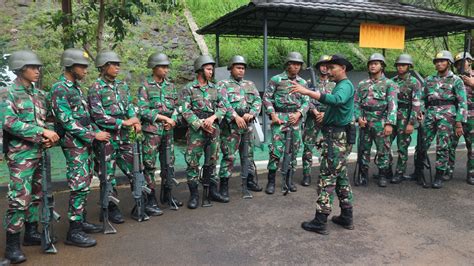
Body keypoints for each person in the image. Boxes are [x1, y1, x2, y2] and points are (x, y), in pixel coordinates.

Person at [49, 48, 111, 247]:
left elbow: (84, 118)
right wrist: (94, 135)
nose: (85, 70)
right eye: (81, 66)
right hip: (74, 145)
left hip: (84, 144)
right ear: (70, 66)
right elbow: (67, 121)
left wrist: (97, 132)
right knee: (78, 186)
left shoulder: (75, 88)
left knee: (84, 185)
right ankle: (73, 232)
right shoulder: (60, 89)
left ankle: (81, 221)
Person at [3, 50, 60, 263]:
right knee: (19, 199)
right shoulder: (10, 94)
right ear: (20, 69)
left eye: (38, 67)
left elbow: (48, 120)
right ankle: (12, 246)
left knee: (37, 195)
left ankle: (31, 233)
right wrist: (41, 132)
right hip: (21, 156)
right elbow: (9, 123)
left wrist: (50, 135)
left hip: (39, 152)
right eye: (33, 67)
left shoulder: (39, 94)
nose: (37, 71)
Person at [294, 54, 355, 235]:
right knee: (341, 177)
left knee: (327, 177)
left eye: (333, 67)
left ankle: (320, 220)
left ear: (343, 68)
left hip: (336, 138)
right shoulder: (340, 86)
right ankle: (346, 216)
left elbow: (337, 101)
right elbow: (337, 107)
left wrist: (308, 92)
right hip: (335, 135)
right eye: (328, 68)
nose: (329, 71)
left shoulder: (345, 85)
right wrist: (325, 116)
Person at [88, 50, 142, 222]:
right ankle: (111, 208)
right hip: (107, 139)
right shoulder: (95, 88)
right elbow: (97, 115)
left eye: (118, 64)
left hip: (127, 137)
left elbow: (130, 107)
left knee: (135, 169)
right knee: (107, 175)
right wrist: (122, 123)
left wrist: (134, 120)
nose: (118, 67)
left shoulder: (122, 86)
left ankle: (140, 203)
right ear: (104, 66)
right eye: (114, 64)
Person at [179, 55, 227, 209]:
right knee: (192, 163)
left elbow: (223, 107)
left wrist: (213, 118)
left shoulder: (216, 88)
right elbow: (184, 110)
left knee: (212, 161)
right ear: (200, 70)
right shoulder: (189, 89)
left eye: (212, 69)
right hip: (196, 132)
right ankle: (194, 195)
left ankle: (212, 191)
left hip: (213, 129)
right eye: (208, 69)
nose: (211, 72)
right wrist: (200, 124)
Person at [137, 52, 183, 212]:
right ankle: (151, 199)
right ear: (154, 68)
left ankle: (167, 194)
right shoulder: (145, 87)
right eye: (163, 67)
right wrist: (164, 118)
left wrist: (174, 120)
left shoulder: (170, 86)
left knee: (169, 164)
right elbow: (143, 111)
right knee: (149, 165)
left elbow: (178, 107)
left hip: (168, 132)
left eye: (166, 67)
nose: (166, 70)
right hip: (151, 133)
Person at [417, 50, 467, 189]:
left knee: (443, 146)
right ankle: (418, 171)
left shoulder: (456, 80)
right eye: (437, 62)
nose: (439, 64)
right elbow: (421, 98)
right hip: (430, 114)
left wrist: (458, 122)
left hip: (447, 116)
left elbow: (462, 103)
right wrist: (420, 110)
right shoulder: (429, 79)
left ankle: (439, 175)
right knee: (422, 143)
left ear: (449, 63)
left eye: (442, 61)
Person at [262, 51, 309, 194]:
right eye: (293, 64)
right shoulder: (276, 79)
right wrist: (273, 114)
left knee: (294, 150)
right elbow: (266, 98)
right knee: (276, 150)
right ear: (288, 64)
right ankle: (271, 181)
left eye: (298, 65)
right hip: (280, 118)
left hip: (295, 119)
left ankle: (289, 180)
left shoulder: (302, 82)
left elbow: (306, 100)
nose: (296, 67)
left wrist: (300, 113)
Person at [217, 55, 263, 201]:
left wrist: (252, 113)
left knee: (248, 155)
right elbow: (222, 102)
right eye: (238, 68)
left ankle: (249, 180)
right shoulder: (223, 84)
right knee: (229, 156)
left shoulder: (250, 84)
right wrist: (235, 117)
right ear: (231, 68)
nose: (241, 71)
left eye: (243, 68)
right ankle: (223, 186)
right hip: (231, 128)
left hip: (247, 126)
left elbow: (257, 100)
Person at [354, 53, 397, 187]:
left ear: (382, 66)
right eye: (371, 63)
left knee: (383, 149)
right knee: (363, 149)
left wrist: (389, 123)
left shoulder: (390, 84)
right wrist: (358, 118)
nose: (373, 66)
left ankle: (382, 174)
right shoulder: (362, 84)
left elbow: (393, 105)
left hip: (381, 121)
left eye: (376, 63)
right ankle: (363, 174)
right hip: (365, 121)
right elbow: (356, 103)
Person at [301, 55, 335, 186]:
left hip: (328, 118)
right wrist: (315, 112)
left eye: (327, 65)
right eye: (322, 65)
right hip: (312, 118)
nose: (325, 68)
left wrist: (325, 114)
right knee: (308, 147)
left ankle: (326, 174)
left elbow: (336, 100)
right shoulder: (309, 82)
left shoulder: (334, 83)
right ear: (318, 67)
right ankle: (306, 175)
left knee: (328, 147)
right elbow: (306, 98)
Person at [389, 54, 422, 183]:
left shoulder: (414, 82)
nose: (400, 67)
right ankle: (386, 170)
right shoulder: (392, 81)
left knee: (402, 147)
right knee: (386, 145)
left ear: (409, 66)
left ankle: (399, 173)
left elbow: (416, 104)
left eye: (403, 65)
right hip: (392, 116)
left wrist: (411, 123)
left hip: (406, 116)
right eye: (398, 65)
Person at [448, 51, 474, 185]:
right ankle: (448, 171)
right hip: (456, 116)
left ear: (470, 61)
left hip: (472, 118)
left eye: (463, 62)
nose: (461, 65)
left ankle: (471, 174)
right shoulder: (453, 78)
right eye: (458, 63)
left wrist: (471, 83)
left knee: (472, 148)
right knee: (450, 145)